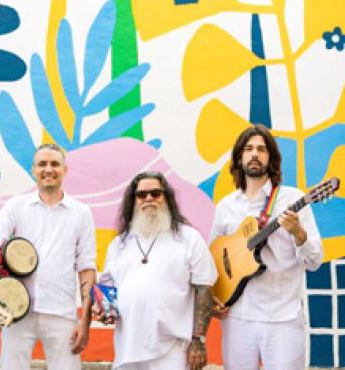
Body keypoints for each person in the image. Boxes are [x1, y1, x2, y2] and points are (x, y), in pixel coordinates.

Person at [0, 143, 97, 370]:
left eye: (54, 164)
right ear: (33, 170)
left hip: (62, 313)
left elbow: (87, 267)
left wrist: (85, 319)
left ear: (65, 170)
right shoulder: (16, 207)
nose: (48, 169)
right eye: (42, 164)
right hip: (17, 313)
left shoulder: (81, 213)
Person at [210, 124, 323, 370]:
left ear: (270, 158)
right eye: (248, 149)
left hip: (281, 317)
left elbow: (314, 261)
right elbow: (214, 258)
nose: (254, 154)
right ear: (239, 158)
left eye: (261, 149)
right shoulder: (226, 206)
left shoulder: (293, 200)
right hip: (237, 316)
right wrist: (214, 296)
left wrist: (298, 233)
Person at [95, 171, 217, 370]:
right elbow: (108, 287)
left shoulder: (189, 238)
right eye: (142, 195)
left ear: (166, 198)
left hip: (173, 351)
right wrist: (104, 309)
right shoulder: (119, 244)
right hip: (127, 349)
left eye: (155, 193)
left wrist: (199, 340)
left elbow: (204, 289)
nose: (149, 199)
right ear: (133, 201)